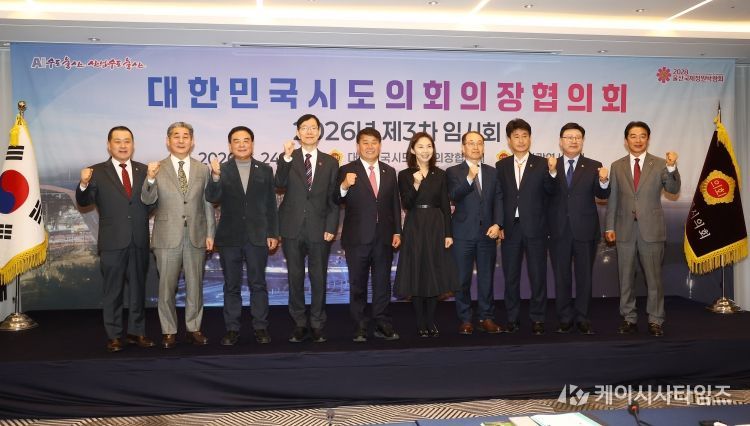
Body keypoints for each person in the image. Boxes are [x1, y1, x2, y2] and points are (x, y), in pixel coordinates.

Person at [76, 126, 155, 353]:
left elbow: (152, 204)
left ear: (133, 145)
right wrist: (83, 184)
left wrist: (151, 181)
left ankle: (137, 332)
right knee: (113, 291)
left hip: (139, 239)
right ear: (109, 145)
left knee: (138, 289)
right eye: (118, 141)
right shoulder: (96, 172)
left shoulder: (144, 170)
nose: (123, 145)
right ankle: (114, 336)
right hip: (112, 242)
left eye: (127, 141)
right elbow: (84, 201)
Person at [141, 122, 216, 349]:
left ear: (192, 141)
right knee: (166, 287)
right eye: (176, 136)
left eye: (186, 136)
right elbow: (147, 200)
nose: (181, 140)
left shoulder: (202, 169)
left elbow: (208, 204)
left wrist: (210, 232)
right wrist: (150, 179)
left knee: (195, 286)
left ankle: (194, 328)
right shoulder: (156, 168)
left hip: (196, 235)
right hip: (166, 236)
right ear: (168, 141)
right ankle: (168, 331)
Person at [205, 126, 279, 346]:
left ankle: (261, 327)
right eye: (236, 141)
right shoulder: (222, 169)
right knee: (231, 285)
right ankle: (232, 329)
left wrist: (273, 232)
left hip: (258, 236)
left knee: (258, 284)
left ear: (252, 144)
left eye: (246, 140)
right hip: (230, 237)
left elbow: (271, 205)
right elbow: (212, 197)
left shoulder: (265, 170)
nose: (241, 144)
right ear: (230, 146)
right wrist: (215, 176)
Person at [605, 121, 680, 337]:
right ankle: (629, 318)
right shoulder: (617, 166)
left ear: (648, 139)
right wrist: (609, 226)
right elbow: (613, 199)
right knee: (625, 278)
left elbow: (673, 189)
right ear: (626, 140)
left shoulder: (660, 164)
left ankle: (656, 319)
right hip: (624, 229)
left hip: (651, 230)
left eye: (642, 136)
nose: (638, 140)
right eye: (633, 136)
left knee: (654, 279)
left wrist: (672, 168)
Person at [275, 114, 340, 343]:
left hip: (319, 228)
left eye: (313, 127)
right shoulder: (288, 158)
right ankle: (300, 323)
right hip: (291, 227)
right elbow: (279, 183)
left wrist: (331, 226)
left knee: (318, 277)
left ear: (320, 132)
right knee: (295, 277)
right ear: (298, 132)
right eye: (304, 128)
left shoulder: (330, 162)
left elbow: (334, 198)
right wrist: (285, 157)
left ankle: (317, 323)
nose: (309, 131)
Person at [334, 127, 402, 342]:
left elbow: (394, 204)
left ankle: (383, 323)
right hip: (357, 238)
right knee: (358, 284)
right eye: (365, 142)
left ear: (380, 146)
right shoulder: (346, 170)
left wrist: (397, 231)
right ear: (358, 146)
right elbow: (335, 198)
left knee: (383, 283)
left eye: (374, 142)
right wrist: (344, 185)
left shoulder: (389, 171)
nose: (370, 146)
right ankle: (360, 325)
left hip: (384, 237)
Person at [395, 132, 460, 338]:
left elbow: (445, 206)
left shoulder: (440, 174)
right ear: (413, 150)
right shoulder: (404, 175)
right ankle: (420, 322)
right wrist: (415, 184)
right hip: (415, 225)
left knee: (433, 274)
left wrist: (448, 233)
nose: (425, 151)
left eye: (429, 146)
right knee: (417, 274)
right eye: (421, 147)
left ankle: (431, 320)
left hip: (436, 226)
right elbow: (407, 204)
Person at [495, 118, 556, 335]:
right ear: (509, 140)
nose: (521, 140)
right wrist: (499, 223)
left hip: (536, 228)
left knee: (538, 275)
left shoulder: (542, 164)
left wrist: (552, 172)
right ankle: (512, 318)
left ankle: (538, 318)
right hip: (510, 229)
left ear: (530, 138)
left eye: (524, 136)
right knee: (511, 276)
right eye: (516, 136)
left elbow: (551, 191)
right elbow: (499, 197)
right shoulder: (501, 166)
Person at [547, 123, 610, 335]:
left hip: (585, 230)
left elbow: (602, 195)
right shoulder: (551, 165)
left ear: (582, 141)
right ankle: (565, 318)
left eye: (577, 137)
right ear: (561, 141)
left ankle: (583, 317)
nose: (573, 141)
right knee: (561, 277)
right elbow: (546, 192)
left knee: (584, 277)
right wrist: (552, 173)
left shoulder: (594, 166)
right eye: (569, 137)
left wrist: (603, 180)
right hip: (558, 230)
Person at [446, 131, 503, 335]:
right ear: (463, 148)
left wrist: (498, 224)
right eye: (471, 143)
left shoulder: (492, 172)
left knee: (486, 278)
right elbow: (454, 195)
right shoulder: (453, 171)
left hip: (487, 233)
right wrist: (469, 178)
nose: (476, 147)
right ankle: (465, 319)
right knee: (462, 279)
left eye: (479, 143)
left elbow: (498, 199)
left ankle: (486, 317)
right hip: (462, 233)